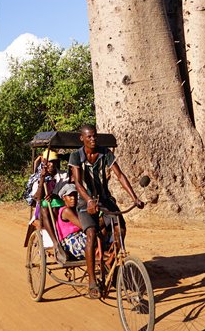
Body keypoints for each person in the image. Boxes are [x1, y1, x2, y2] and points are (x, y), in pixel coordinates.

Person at [69, 124, 144, 299]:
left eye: (95, 136)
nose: (93, 139)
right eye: (89, 137)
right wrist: (88, 200)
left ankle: (109, 262)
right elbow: (78, 184)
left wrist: (134, 197)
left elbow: (120, 175)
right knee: (91, 233)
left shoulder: (105, 153)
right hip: (85, 202)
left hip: (105, 201)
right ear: (82, 138)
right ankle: (92, 282)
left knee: (121, 229)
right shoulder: (76, 156)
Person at [32, 149, 68, 262]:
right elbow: (37, 198)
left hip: (61, 205)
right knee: (45, 209)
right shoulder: (37, 177)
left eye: (53, 162)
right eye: (49, 162)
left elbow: (68, 191)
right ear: (45, 164)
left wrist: (55, 196)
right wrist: (42, 179)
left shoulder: (64, 175)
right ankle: (55, 243)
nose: (51, 164)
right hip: (44, 209)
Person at [55, 183, 87, 260]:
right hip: (70, 241)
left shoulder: (76, 209)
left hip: (79, 236)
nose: (73, 198)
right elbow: (84, 226)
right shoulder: (66, 211)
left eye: (75, 195)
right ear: (64, 198)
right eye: (70, 196)